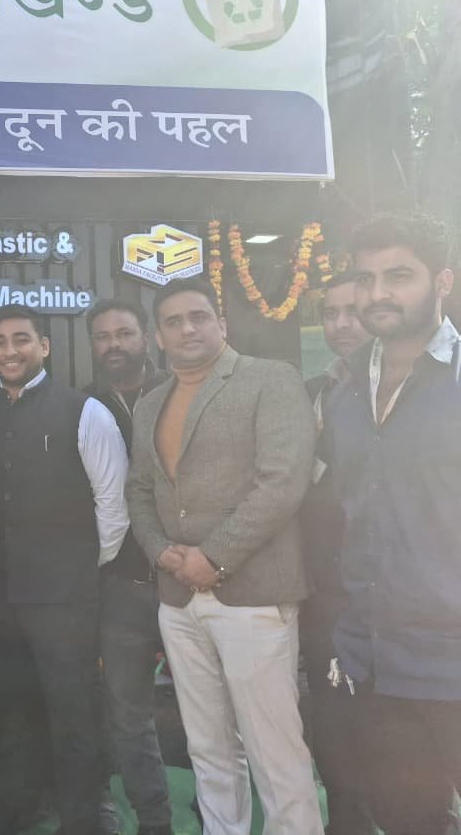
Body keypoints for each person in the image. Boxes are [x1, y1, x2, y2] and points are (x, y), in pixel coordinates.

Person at [126, 279, 323, 835]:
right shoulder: (150, 403)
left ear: (221, 324)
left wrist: (213, 558)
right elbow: (139, 489)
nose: (187, 328)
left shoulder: (270, 379)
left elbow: (282, 482)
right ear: (158, 337)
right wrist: (162, 552)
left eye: (199, 316)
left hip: (253, 594)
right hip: (178, 598)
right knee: (207, 748)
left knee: (274, 750)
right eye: (173, 322)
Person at [0, 305, 130, 835]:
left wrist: (76, 569)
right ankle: (13, 815)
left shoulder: (85, 411)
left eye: (21, 339)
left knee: (73, 713)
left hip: (66, 598)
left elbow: (113, 506)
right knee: (9, 712)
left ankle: (82, 821)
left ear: (44, 347)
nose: (10, 351)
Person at [323, 213, 461, 835]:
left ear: (442, 281)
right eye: (366, 278)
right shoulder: (345, 389)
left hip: (453, 655)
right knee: (408, 820)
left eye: (399, 276)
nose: (377, 293)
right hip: (376, 661)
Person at [83, 299, 173, 835]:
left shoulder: (181, 392)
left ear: (147, 336)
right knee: (128, 714)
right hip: (121, 586)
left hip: (191, 580)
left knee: (218, 710)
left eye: (124, 333)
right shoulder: (83, 406)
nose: (114, 344)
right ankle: (154, 821)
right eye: (103, 336)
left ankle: (221, 814)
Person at [297, 272, 374, 835]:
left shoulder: (416, 387)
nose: (341, 324)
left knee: (406, 726)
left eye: (353, 311)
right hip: (326, 590)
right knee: (332, 718)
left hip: (402, 592)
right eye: (330, 313)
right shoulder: (313, 393)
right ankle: (346, 823)